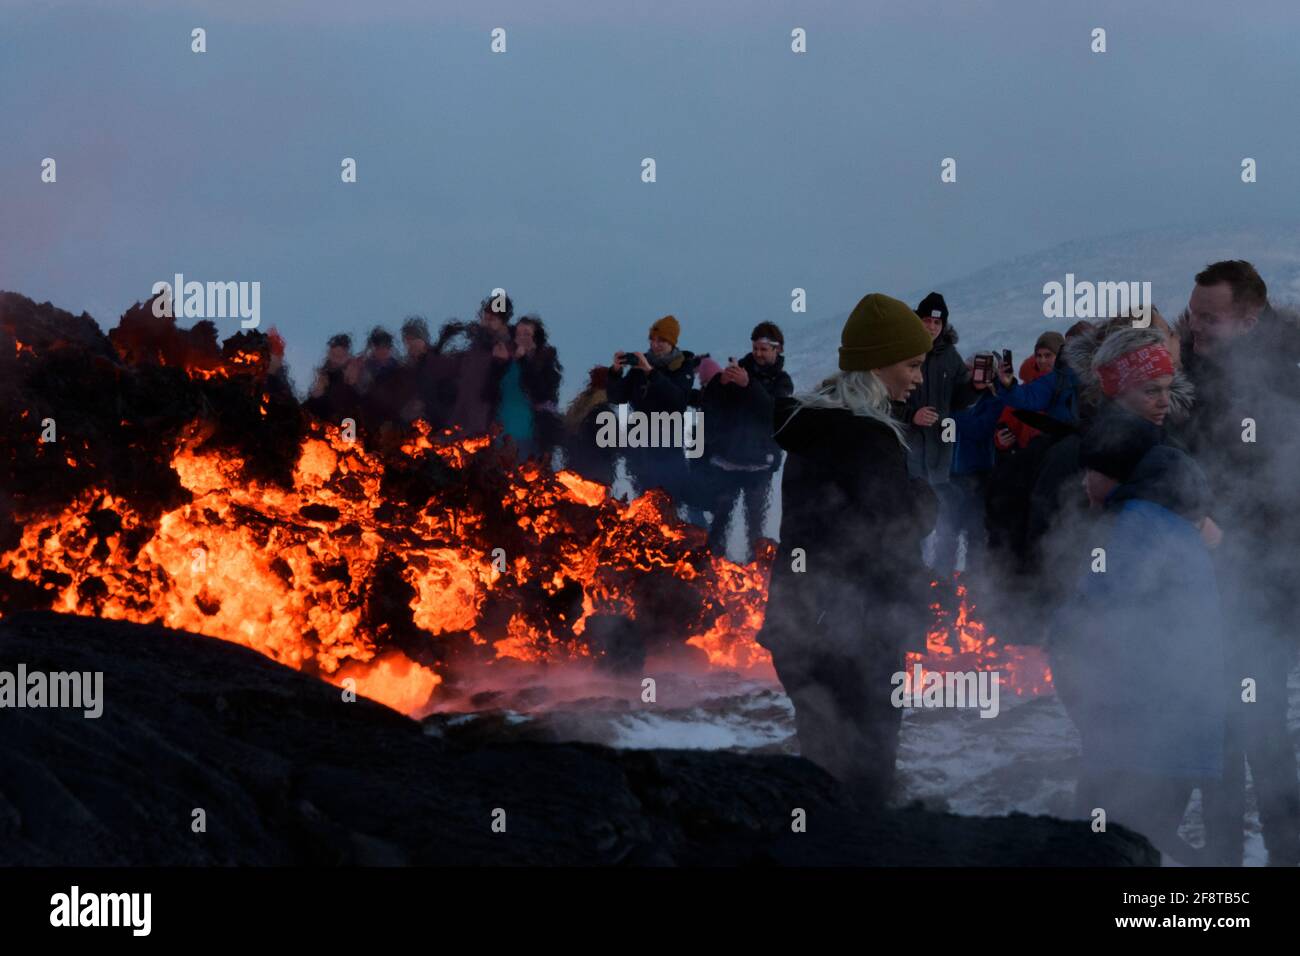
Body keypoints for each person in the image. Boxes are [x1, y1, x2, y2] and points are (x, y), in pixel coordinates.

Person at [757, 293, 938, 806]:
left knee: (823, 774)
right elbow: (899, 524)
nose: (918, 378)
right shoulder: (866, 437)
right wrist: (926, 497)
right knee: (865, 781)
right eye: (912, 364)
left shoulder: (815, 426)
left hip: (803, 627)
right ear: (877, 363)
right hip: (856, 636)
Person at [1175, 260, 1300, 866]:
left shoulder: (1288, 370)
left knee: (1261, 723)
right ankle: (1222, 866)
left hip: (1265, 576)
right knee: (1214, 723)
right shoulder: (1195, 362)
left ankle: (1285, 852)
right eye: (1193, 312)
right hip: (1206, 576)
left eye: (1209, 317)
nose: (1195, 325)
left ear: (1250, 318)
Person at [1052, 431, 1226, 865]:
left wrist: (1058, 639)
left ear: (1111, 475)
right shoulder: (1168, 521)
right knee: (1138, 842)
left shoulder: (1134, 526)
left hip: (1143, 737)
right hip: (1174, 730)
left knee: (1101, 848)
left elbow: (1092, 619)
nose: (1082, 483)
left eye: (1088, 472)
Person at [696, 322, 794, 561]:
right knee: (719, 519)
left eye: (763, 349)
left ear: (777, 349)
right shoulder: (738, 370)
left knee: (755, 525)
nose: (758, 354)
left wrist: (748, 385)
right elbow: (710, 405)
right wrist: (720, 385)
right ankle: (710, 566)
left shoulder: (782, 381)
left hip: (760, 464)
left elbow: (772, 412)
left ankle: (755, 570)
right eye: (755, 348)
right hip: (727, 461)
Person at [903, 292, 978, 579]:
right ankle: (911, 576)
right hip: (909, 455)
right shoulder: (905, 352)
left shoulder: (950, 356)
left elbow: (960, 398)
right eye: (927, 320)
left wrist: (976, 387)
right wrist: (912, 415)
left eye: (938, 321)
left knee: (943, 518)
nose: (932, 326)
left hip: (939, 455)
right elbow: (886, 399)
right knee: (914, 518)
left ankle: (941, 579)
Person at [606, 315, 699, 504]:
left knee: (670, 500)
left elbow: (678, 401)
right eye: (653, 340)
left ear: (672, 342)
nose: (655, 345)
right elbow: (617, 397)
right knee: (643, 501)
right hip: (640, 444)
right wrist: (615, 372)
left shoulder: (682, 367)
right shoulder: (638, 368)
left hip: (668, 442)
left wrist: (651, 373)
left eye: (662, 341)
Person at [495, 314, 563, 461]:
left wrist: (524, 360)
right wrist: (497, 363)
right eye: (518, 334)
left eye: (526, 333)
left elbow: (540, 392)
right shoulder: (508, 363)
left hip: (529, 437)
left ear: (536, 338)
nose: (521, 337)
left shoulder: (546, 364)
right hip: (501, 434)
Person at [445, 293, 514, 438]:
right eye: (485, 317)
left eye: (492, 319)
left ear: (503, 322)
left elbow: (499, 388)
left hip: (486, 425)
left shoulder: (507, 349)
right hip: (462, 419)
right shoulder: (477, 345)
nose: (486, 322)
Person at [561, 365, 616, 487]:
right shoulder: (592, 400)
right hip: (591, 463)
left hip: (582, 459)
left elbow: (569, 422)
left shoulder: (588, 400)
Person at [305, 333, 360, 424]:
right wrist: (317, 393)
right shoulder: (322, 375)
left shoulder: (354, 373)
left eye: (340, 357)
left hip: (348, 425)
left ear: (347, 356)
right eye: (333, 355)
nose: (335, 360)